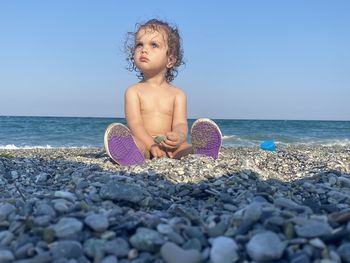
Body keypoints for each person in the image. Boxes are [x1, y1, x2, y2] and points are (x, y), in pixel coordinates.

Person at [104, 19, 222, 166]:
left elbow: (180, 123)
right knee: (136, 143)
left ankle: (202, 152)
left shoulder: (178, 94)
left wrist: (178, 136)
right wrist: (151, 145)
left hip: (171, 146)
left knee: (184, 148)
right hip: (146, 143)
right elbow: (136, 125)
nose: (144, 49)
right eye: (139, 44)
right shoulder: (133, 91)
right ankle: (129, 153)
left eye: (154, 45)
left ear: (170, 60)